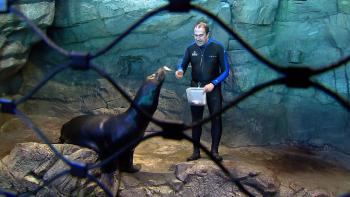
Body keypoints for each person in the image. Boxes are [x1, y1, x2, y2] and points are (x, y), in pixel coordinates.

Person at [175, 20, 230, 161]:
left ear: (207, 34)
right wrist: (180, 70)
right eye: (195, 35)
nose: (197, 38)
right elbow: (182, 64)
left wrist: (214, 83)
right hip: (196, 88)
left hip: (212, 87)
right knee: (196, 120)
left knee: (216, 119)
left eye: (200, 35)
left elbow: (225, 71)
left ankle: (214, 151)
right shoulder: (190, 48)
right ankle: (196, 151)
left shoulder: (217, 47)